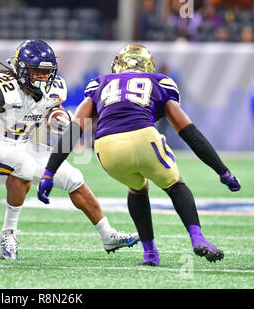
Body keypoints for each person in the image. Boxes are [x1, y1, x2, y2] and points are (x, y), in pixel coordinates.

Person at [38, 44, 241, 266]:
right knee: (175, 185)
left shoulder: (100, 83)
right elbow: (188, 131)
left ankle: (150, 254)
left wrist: (49, 172)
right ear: (148, 66)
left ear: (117, 65)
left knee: (137, 188)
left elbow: (75, 129)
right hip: (144, 138)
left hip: (106, 148)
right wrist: (223, 171)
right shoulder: (158, 81)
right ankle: (198, 238)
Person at [0, 39, 139, 260]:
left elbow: (53, 111)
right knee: (24, 166)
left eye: (45, 72)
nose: (42, 77)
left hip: (23, 145)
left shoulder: (55, 88)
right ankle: (8, 234)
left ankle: (107, 235)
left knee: (73, 177)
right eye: (36, 71)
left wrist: (57, 118)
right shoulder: (3, 88)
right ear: (22, 69)